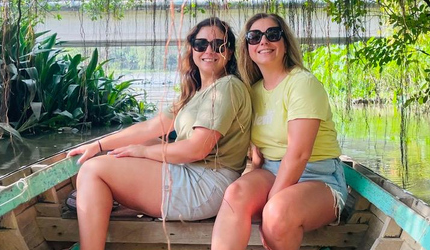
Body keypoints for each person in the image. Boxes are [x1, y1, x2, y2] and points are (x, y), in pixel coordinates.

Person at [67, 17, 252, 250]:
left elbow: (196, 148)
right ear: (192, 48)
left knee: (92, 170)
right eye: (201, 44)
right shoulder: (197, 92)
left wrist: (144, 151)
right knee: (139, 141)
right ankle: (104, 199)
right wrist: (100, 145)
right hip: (194, 173)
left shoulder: (227, 87)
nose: (209, 51)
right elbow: (149, 128)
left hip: (207, 185)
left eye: (218, 45)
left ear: (230, 52)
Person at [211, 13, 347, 250]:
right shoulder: (252, 91)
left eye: (272, 35)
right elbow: (255, 146)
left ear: (285, 44)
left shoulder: (302, 83)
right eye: (254, 37)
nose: (263, 41)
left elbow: (299, 154)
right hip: (271, 170)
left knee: (277, 213)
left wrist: (271, 200)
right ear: (248, 48)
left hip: (318, 175)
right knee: (235, 194)